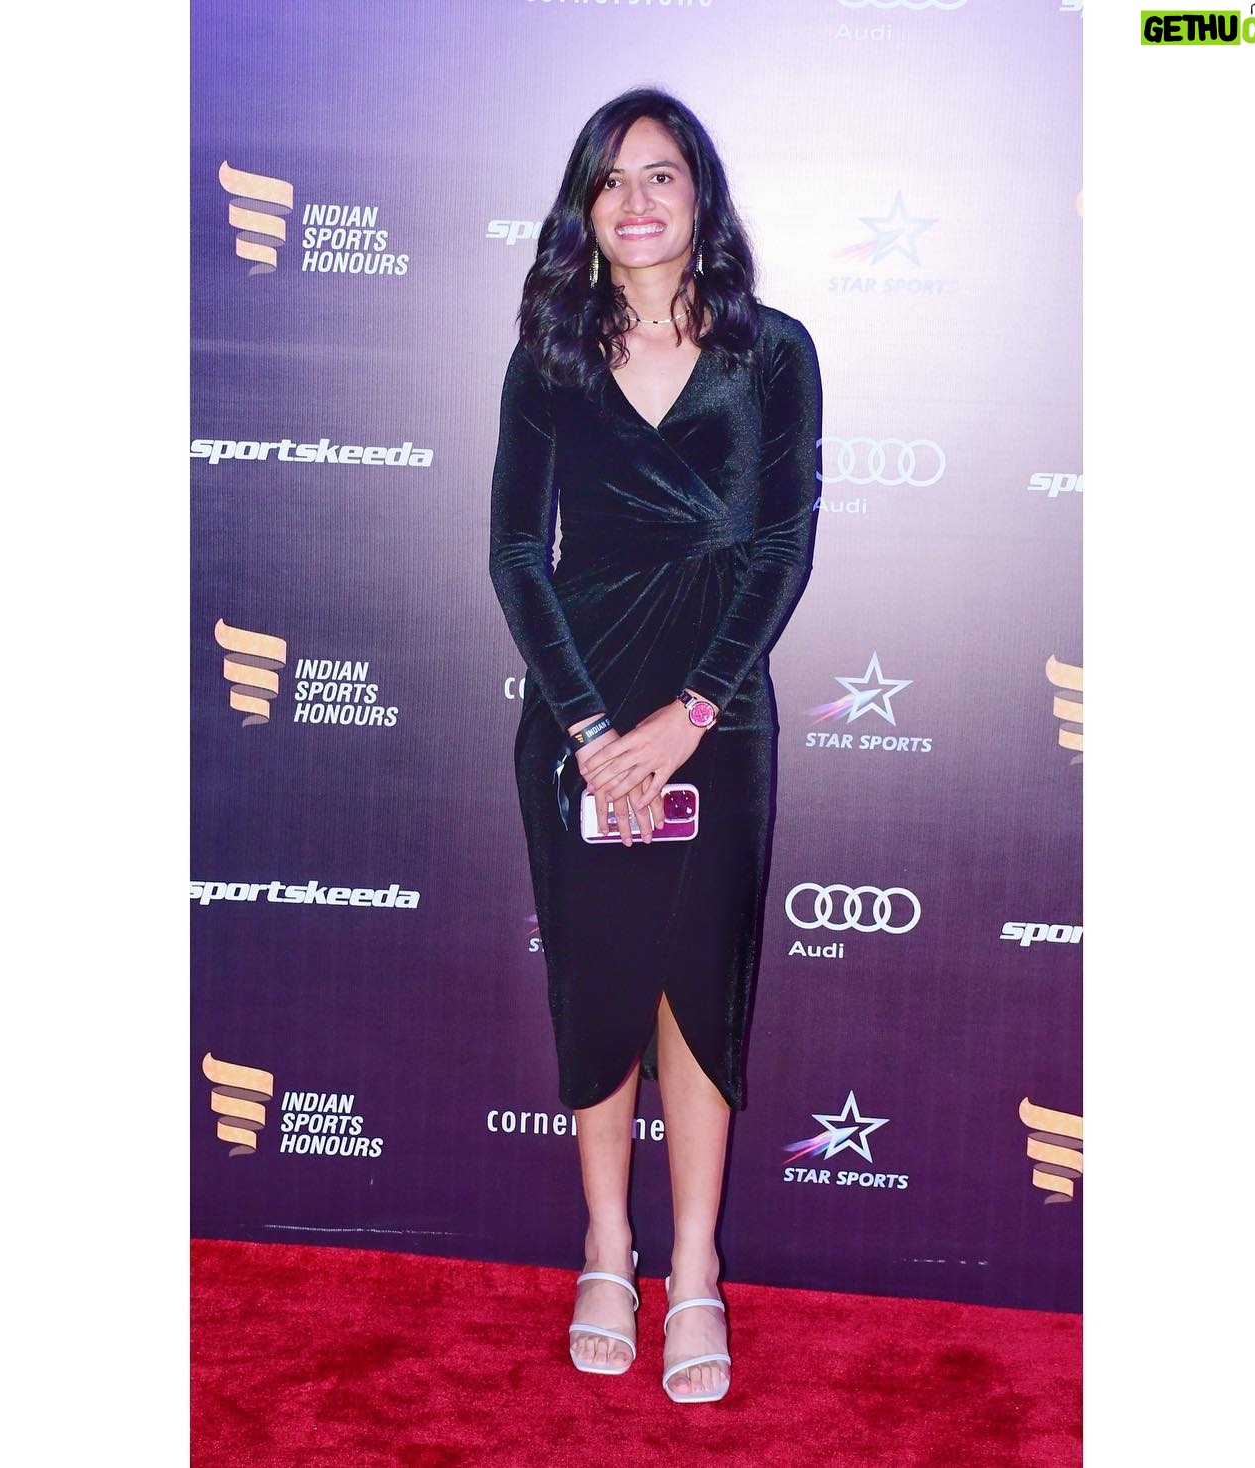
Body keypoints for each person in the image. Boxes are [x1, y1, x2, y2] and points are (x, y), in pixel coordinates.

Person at [487, 86, 821, 1404]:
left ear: (700, 195)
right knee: (600, 984)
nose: (636, 200)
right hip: (581, 712)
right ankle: (604, 1251)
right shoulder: (549, 358)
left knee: (699, 990)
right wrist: (591, 729)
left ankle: (693, 1271)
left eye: (661, 175)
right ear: (585, 207)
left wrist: (688, 717)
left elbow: (781, 547)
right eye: (611, 179)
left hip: (714, 713)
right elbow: (518, 555)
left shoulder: (773, 352)